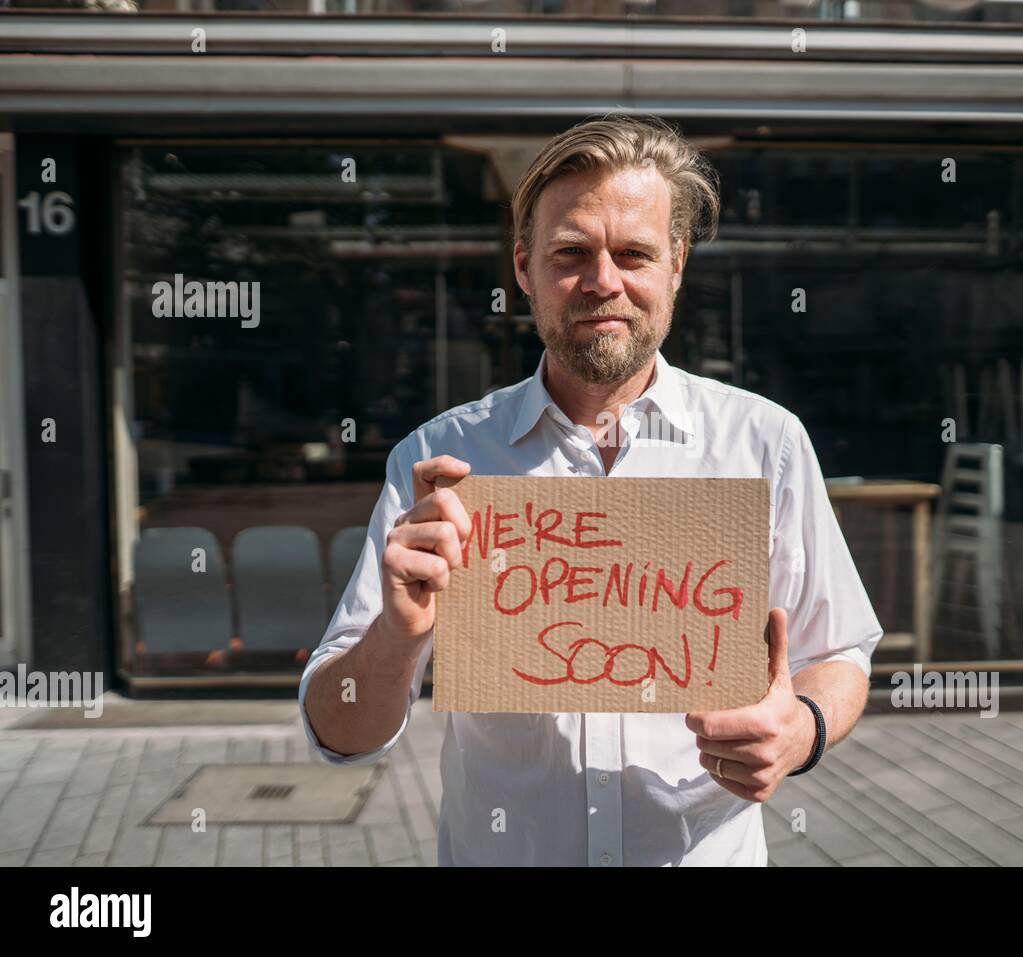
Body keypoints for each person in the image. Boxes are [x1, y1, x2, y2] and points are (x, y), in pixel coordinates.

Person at [299, 113, 883, 866]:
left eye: (633, 253)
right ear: (523, 267)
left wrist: (801, 728)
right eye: (570, 252)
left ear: (676, 265)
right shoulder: (441, 458)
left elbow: (839, 649)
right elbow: (340, 732)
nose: (602, 281)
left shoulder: (763, 444)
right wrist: (397, 636)